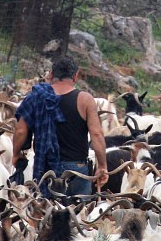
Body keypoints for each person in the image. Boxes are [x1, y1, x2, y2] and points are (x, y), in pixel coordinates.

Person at [11, 56, 108, 197]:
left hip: (46, 169)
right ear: (75, 76)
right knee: (79, 209)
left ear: (51, 75)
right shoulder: (85, 99)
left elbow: (20, 131)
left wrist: (16, 154)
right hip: (76, 170)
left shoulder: (35, 97)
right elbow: (97, 134)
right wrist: (102, 166)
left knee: (45, 208)